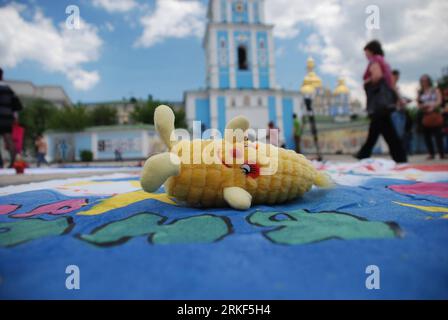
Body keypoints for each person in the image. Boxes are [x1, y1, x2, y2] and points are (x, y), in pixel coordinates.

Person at [356, 40, 407, 163]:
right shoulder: (385, 63)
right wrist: (399, 99)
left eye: (366, 52)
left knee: (379, 132)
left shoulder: (374, 61)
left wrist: (366, 82)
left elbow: (376, 76)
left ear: (371, 50)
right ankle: (400, 158)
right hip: (385, 104)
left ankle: (363, 154)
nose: (366, 55)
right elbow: (392, 85)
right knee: (386, 132)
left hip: (378, 104)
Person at [417, 74, 444, 159]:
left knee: (438, 135)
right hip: (425, 115)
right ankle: (431, 153)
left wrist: (432, 107)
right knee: (427, 136)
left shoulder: (435, 90)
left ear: (429, 81)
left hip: (435, 114)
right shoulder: (420, 92)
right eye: (422, 80)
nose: (424, 82)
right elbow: (418, 103)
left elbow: (439, 101)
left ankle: (441, 153)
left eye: (425, 80)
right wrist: (422, 107)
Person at [0, 68, 23, 168]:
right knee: (8, 138)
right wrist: (15, 117)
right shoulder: (8, 89)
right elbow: (17, 105)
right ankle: (14, 160)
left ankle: (0, 162)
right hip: (7, 117)